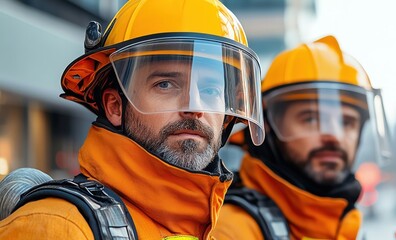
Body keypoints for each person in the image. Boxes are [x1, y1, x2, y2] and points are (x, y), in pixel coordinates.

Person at [0, 0, 264, 239]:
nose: (194, 107)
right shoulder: (56, 227)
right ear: (115, 106)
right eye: (165, 84)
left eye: (210, 90)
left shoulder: (210, 230)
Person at [213, 35, 391, 240]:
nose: (334, 135)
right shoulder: (232, 230)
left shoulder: (346, 225)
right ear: (267, 125)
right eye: (311, 119)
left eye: (347, 122)